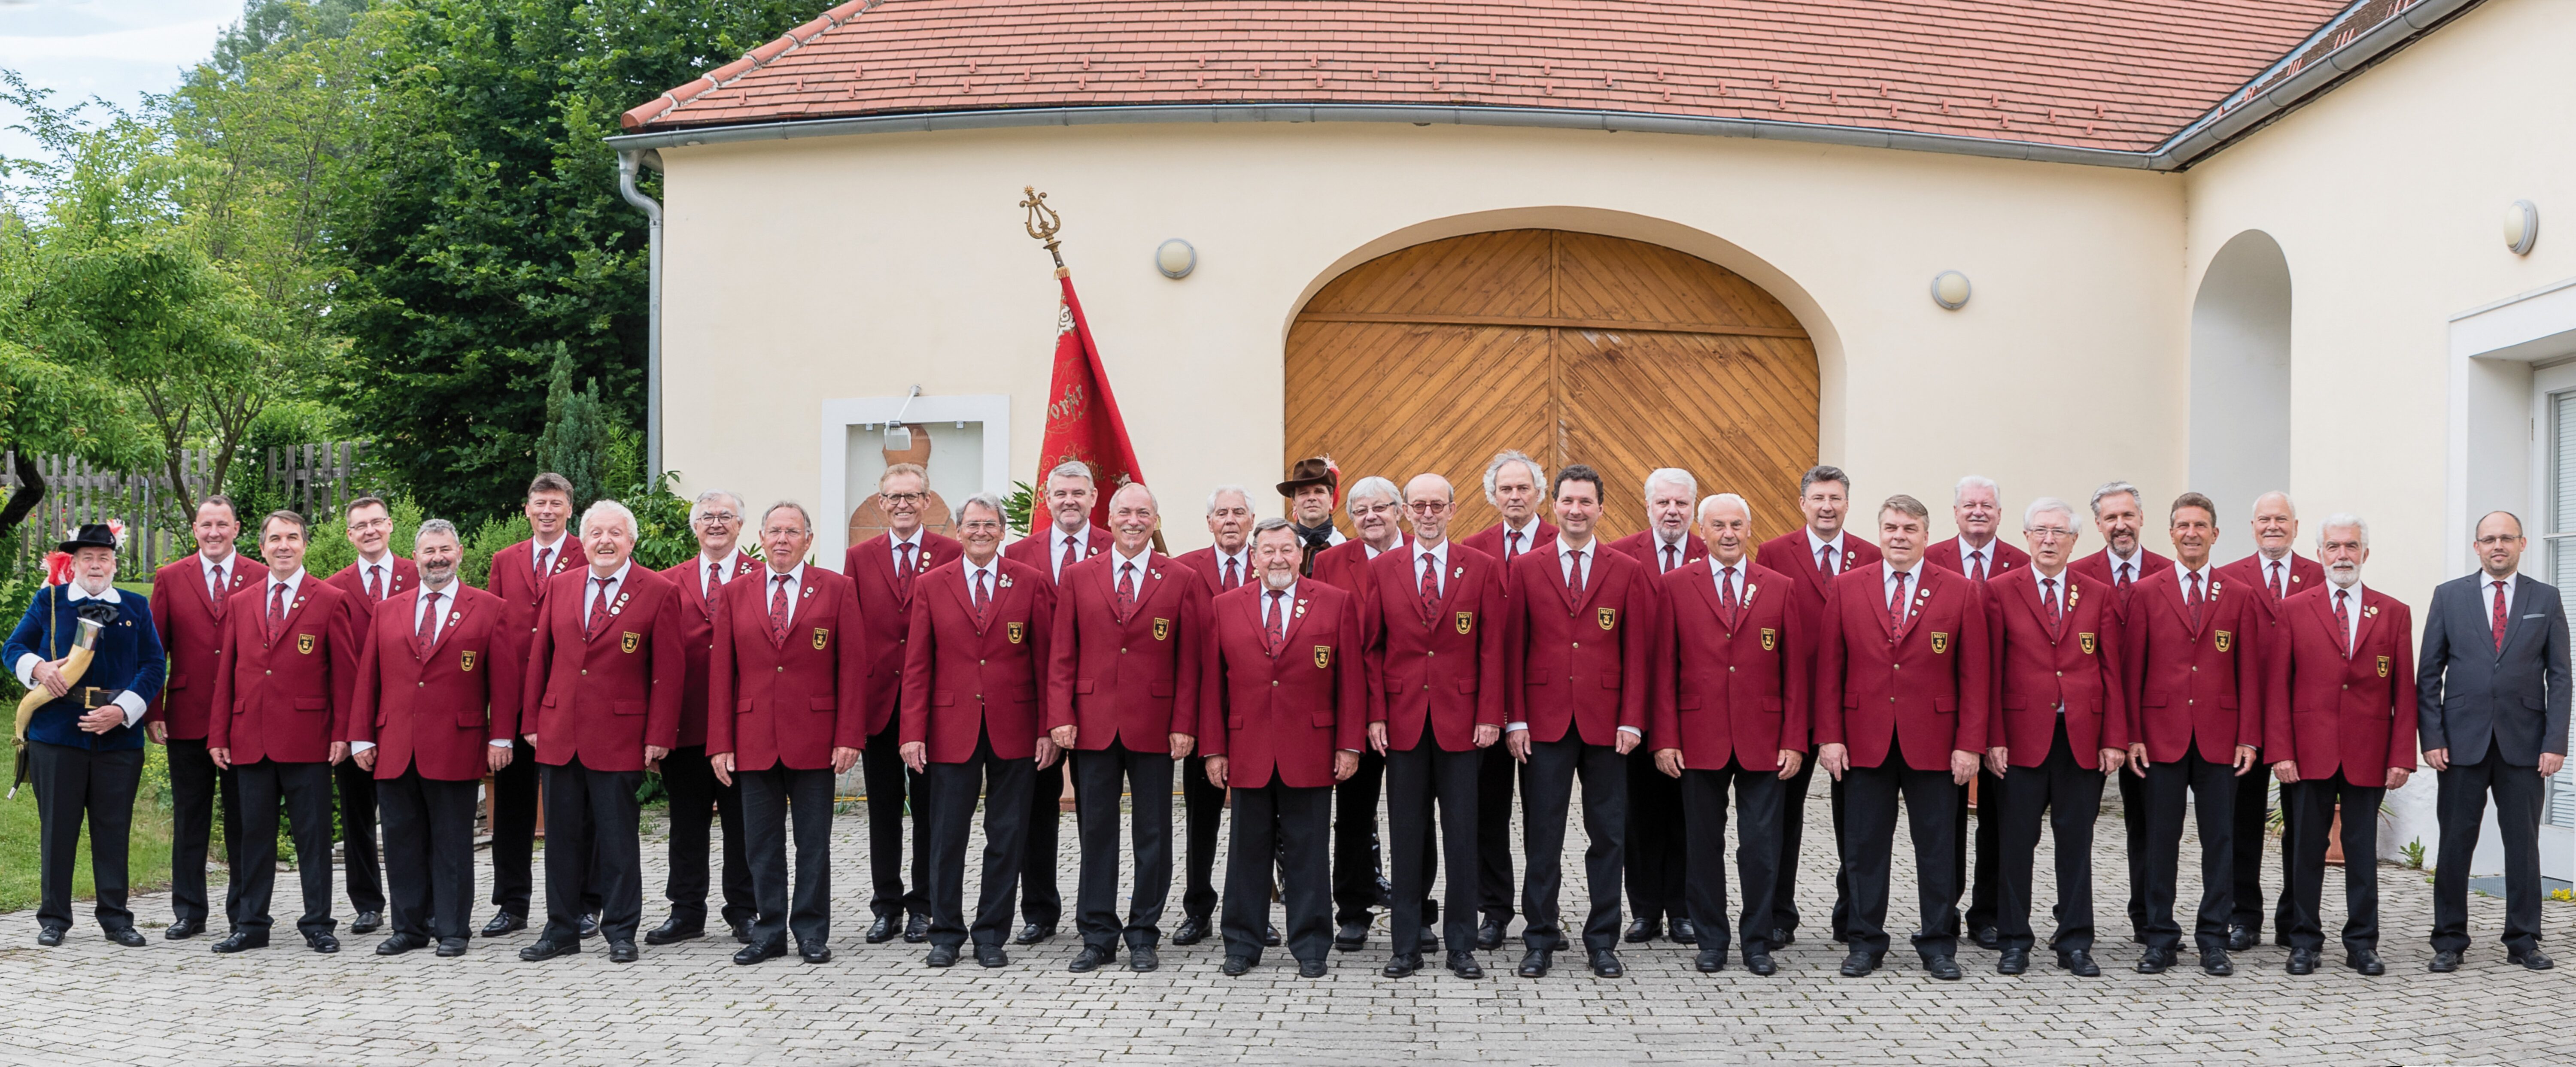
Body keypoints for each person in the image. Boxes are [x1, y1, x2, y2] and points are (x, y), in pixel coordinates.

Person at [1814, 494, 1989, 980]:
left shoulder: (1959, 590)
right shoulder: (1848, 587)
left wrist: (1969, 743)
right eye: (1891, 527)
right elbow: (1830, 669)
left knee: (1938, 848)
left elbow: (1975, 675)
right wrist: (1830, 737)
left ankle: (1938, 943)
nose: (1899, 536)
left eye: (1910, 528)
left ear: (1926, 536)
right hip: (1863, 740)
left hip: (1936, 742)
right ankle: (1865, 941)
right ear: (1880, 531)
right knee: (1864, 848)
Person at [1045, 482, 1212, 973]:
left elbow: (1191, 660)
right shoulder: (1078, 576)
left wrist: (1185, 723)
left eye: (1143, 513)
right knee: (1096, 831)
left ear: (1155, 520)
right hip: (1092, 725)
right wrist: (1061, 715)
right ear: (1109, 518)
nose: (1134, 521)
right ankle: (1097, 935)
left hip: (1156, 727)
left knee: (1153, 832)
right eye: (1125, 512)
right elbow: (1062, 654)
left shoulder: (1180, 577)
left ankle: (1143, 932)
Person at [516, 500, 686, 964]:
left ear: (631, 541)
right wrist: (531, 720)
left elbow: (668, 672)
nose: (605, 541)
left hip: (619, 735)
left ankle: (621, 929)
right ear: (584, 540)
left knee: (618, 839)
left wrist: (659, 734)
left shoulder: (657, 590)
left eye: (615, 533)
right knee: (561, 840)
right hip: (560, 732)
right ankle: (561, 929)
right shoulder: (562, 585)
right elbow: (541, 657)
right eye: (596, 533)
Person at [346, 518, 520, 957]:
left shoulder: (489, 607)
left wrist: (502, 736)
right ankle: (408, 927)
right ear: (416, 557)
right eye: (429, 551)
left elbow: (503, 682)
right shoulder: (389, 609)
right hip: (395, 744)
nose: (437, 558)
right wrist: (361, 736)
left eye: (445, 550)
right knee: (401, 841)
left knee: (453, 843)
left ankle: (452, 928)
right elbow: (369, 678)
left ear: (460, 552)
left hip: (456, 744)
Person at [1503, 463, 1652, 979]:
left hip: (1608, 724)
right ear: (1555, 505)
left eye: (1586, 502)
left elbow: (1637, 653)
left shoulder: (1626, 569)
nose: (1576, 510)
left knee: (1608, 834)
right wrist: (1514, 719)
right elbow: (1513, 648)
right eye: (1568, 500)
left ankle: (1602, 939)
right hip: (1542, 724)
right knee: (1542, 834)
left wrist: (1633, 719)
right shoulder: (1525, 566)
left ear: (1601, 509)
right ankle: (1540, 937)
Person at [1649, 493, 1804, 976]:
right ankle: (1712, 939)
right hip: (1698, 737)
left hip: (1764, 738)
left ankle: (1757, 941)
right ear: (1703, 530)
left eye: (1737, 524)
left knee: (1760, 847)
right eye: (1718, 525)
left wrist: (1795, 740)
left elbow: (1795, 672)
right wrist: (1665, 738)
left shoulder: (1779, 587)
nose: (1729, 533)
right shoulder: (1675, 585)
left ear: (1750, 528)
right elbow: (1663, 668)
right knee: (1703, 844)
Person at [902, 493, 1059, 968]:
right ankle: (945, 934)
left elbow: (1046, 660)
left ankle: (991, 934)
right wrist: (912, 731)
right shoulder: (931, 584)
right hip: (950, 728)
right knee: (947, 835)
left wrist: (1048, 728)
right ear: (958, 529)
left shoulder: (1029, 582)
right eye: (972, 524)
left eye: (989, 524)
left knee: (1006, 835)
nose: (980, 532)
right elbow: (917, 666)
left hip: (1015, 728)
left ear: (1002, 530)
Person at [1205, 518, 1366, 977]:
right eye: (1268, 550)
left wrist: (1349, 744)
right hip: (1247, 746)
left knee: (1309, 851)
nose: (1278, 558)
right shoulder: (1224, 606)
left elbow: (1351, 681)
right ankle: (1241, 943)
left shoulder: (1335, 603)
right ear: (1253, 558)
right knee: (1246, 852)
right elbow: (1213, 685)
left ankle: (1312, 943)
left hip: (1312, 746)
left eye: (1286, 550)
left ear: (1302, 555)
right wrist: (1215, 749)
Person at [708, 502, 864, 966]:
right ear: (760, 536)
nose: (782, 539)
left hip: (817, 738)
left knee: (813, 843)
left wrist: (849, 736)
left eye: (791, 531)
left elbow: (853, 668)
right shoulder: (736, 593)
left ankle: (812, 932)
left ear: (807, 540)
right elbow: (722, 673)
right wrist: (720, 741)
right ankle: (769, 930)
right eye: (774, 531)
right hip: (753, 735)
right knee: (762, 843)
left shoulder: (837, 589)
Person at [1362, 473, 1505, 979]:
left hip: (1464, 724)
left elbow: (1493, 648)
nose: (1427, 513)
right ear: (1405, 510)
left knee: (1462, 834)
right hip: (1402, 722)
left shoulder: (1482, 568)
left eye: (1436, 505)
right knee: (1406, 834)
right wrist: (1376, 713)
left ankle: (1461, 944)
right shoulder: (1383, 569)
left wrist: (1491, 714)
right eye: (1418, 505)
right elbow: (1372, 648)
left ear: (1452, 509)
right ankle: (1405, 946)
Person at [1983, 497, 2126, 978]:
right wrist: (1993, 737)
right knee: (2015, 842)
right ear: (2026, 537)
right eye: (2041, 531)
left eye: (2059, 532)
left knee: (2077, 841)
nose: (2049, 540)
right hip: (2020, 737)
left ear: (2074, 541)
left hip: (2081, 737)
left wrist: (2114, 738)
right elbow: (1990, 671)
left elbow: (2111, 670)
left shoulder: (2097, 592)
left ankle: (2075, 940)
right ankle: (2014, 939)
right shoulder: (2000, 590)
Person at [2418, 510, 2567, 972]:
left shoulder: (2546, 597)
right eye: (2489, 539)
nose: (2497, 545)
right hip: (2461, 743)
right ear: (2477, 546)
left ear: (2522, 543)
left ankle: (2523, 939)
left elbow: (2560, 676)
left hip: (2525, 743)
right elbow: (2428, 674)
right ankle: (2449, 939)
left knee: (2522, 844)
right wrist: (2433, 736)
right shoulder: (2449, 596)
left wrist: (2555, 741)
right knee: (2455, 843)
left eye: (2506, 538)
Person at [2268, 513, 2415, 976]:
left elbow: (2404, 693)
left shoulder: (2392, 612)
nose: (2343, 555)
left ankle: (2362, 942)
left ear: (2365, 553)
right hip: (2309, 752)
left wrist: (2401, 756)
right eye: (2333, 547)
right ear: (2320, 554)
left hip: (2368, 752)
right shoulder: (2294, 608)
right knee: (2306, 848)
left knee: (2361, 851)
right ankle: (2305, 941)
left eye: (2351, 546)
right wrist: (2282, 751)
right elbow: (2278, 686)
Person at [2124, 493, 2263, 976]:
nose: (2191, 533)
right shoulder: (2146, 592)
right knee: (2160, 840)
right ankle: (2160, 936)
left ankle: (2213, 936)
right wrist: (2134, 734)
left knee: (2220, 840)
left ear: (2215, 534)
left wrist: (2249, 736)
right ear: (2171, 532)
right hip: (2161, 737)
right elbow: (2132, 670)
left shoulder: (2239, 594)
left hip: (2220, 739)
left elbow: (2249, 673)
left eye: (2200, 525)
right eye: (2183, 525)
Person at [209, 510, 359, 954]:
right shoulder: (242, 601)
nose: (284, 546)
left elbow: (345, 676)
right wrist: (219, 733)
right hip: (249, 738)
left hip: (308, 738)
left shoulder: (330, 599)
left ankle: (318, 922)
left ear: (304, 545)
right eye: (275, 538)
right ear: (262, 546)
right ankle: (251, 923)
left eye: (292, 537)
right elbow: (228, 672)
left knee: (313, 836)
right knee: (253, 836)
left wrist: (343, 733)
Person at [10, 524, 166, 948]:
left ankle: (116, 918)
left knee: (113, 829)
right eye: (87, 558)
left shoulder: (134, 606)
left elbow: (154, 665)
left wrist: (123, 710)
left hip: (118, 736)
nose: (96, 565)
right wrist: (38, 668)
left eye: (104, 558)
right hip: (58, 732)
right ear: (74, 564)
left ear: (115, 563)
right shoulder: (52, 602)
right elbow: (13, 647)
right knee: (58, 828)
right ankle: (54, 918)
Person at [1753, 464, 1878, 950]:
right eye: (1819, 498)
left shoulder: (1870, 554)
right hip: (1794, 707)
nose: (1827, 506)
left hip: (1857, 710)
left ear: (1848, 503)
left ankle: (1853, 914)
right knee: (1781, 818)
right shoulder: (1774, 553)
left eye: (1836, 498)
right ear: (1803, 503)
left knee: (1858, 820)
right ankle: (1779, 914)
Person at [843, 463, 961, 945]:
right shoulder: (858, 557)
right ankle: (886, 905)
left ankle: (925, 904)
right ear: (881, 502)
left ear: (928, 501)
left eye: (913, 496)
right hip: (879, 705)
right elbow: (852, 638)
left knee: (932, 809)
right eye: (894, 497)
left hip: (934, 706)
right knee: (883, 810)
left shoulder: (952, 553)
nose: (904, 504)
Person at [999, 459, 1106, 946]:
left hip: (1105, 702)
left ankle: (1096, 911)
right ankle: (1039, 911)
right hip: (1039, 704)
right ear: (1047, 499)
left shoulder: (1118, 544)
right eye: (1060, 493)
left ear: (1094, 498)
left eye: (1078, 493)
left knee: (1097, 813)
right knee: (1037, 811)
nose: (1069, 501)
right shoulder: (1019, 553)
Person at [1306, 474, 1414, 952]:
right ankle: (1352, 908)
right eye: (1362, 510)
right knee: (1353, 814)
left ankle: (1417, 907)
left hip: (1415, 707)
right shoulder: (1329, 562)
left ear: (1399, 512)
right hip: (1355, 706)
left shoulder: (1424, 555)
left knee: (1415, 815)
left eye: (1381, 508)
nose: (1372, 516)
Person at [649, 490, 762, 946]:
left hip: (745, 724)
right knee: (686, 822)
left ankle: (744, 909)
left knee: (743, 824)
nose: (716, 524)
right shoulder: (664, 583)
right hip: (688, 722)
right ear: (695, 527)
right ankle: (686, 910)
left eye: (725, 516)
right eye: (707, 517)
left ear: (741, 526)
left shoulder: (761, 576)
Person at [2211, 490, 2322, 950]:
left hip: (2306, 720)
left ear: (2296, 526)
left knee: (2304, 822)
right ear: (2252, 526)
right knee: (2243, 819)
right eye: (2264, 519)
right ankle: (2244, 915)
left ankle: (2295, 916)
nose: (2272, 526)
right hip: (2249, 716)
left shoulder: (2320, 575)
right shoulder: (2228, 578)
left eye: (2281, 518)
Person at [1168, 486, 1275, 949]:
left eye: (1239, 512)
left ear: (1252, 521)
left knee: (1259, 818)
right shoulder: (1185, 569)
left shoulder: (1274, 563)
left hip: (1260, 714)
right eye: (1221, 513)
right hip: (1204, 710)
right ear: (1208, 522)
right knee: (1201, 818)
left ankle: (1256, 911)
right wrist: (1185, 721)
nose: (1230, 520)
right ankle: (1198, 908)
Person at [1923, 475, 2026, 950]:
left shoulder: (2022, 564)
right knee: (1947, 820)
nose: (1978, 511)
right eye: (1969, 505)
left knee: (2000, 820)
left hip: (2010, 712)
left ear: (2001, 514)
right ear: (1956, 511)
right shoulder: (1929, 560)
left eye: (1987, 504)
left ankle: (1986, 913)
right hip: (1946, 714)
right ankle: (1943, 909)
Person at [1457, 449, 1555, 949]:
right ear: (1492, 496)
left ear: (1539, 494)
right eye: (1506, 489)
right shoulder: (1472, 550)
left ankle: (1545, 914)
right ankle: (1493, 909)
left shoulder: (1566, 542)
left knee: (1545, 815)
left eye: (1524, 488)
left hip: (1548, 704)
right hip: (1489, 707)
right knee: (1488, 812)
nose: (1515, 497)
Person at [146, 496, 255, 941]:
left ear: (237, 528)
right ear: (195, 529)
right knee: (192, 816)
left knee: (243, 819)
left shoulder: (262, 575)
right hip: (187, 716)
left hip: (244, 719)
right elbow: (155, 651)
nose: (214, 532)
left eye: (222, 524)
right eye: (206, 524)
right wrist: (153, 709)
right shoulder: (171, 578)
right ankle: (189, 911)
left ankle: (244, 912)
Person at [2070, 479, 2173, 944]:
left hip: (2153, 724)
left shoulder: (2169, 573)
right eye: (2110, 517)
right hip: (2088, 722)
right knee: (2076, 824)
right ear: (2097, 525)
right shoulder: (2076, 575)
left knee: (2148, 826)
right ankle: (2070, 917)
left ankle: (2149, 918)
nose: (2120, 525)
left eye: (2128, 515)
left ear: (2142, 518)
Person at [480, 473, 582, 938]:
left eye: (555, 503)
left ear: (568, 509)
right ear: (526, 509)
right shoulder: (505, 560)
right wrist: (499, 720)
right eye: (539, 502)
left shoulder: (590, 552)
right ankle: (512, 903)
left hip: (570, 702)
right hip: (517, 701)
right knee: (513, 812)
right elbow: (496, 636)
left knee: (572, 811)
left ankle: (581, 904)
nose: (546, 510)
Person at [1611, 467, 1704, 947]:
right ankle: (1645, 909)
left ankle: (1684, 909)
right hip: (1638, 706)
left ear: (1693, 508)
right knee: (1640, 814)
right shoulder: (1621, 556)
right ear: (1647, 506)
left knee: (1687, 811)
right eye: (1664, 503)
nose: (1672, 511)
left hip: (1696, 708)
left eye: (1681, 504)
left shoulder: (1713, 553)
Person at [322, 495, 416, 938]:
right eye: (360, 525)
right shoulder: (334, 587)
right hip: (357, 715)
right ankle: (367, 902)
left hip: (407, 714)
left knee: (413, 813)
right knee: (357, 813)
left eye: (376, 522)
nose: (370, 531)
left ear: (391, 526)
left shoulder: (420, 575)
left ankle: (418, 901)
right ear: (349, 535)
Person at [1280, 457, 1348, 575]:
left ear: (1331, 499)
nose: (1312, 498)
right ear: (1294, 502)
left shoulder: (1352, 551)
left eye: (1319, 492)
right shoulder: (1279, 553)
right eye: (1304, 493)